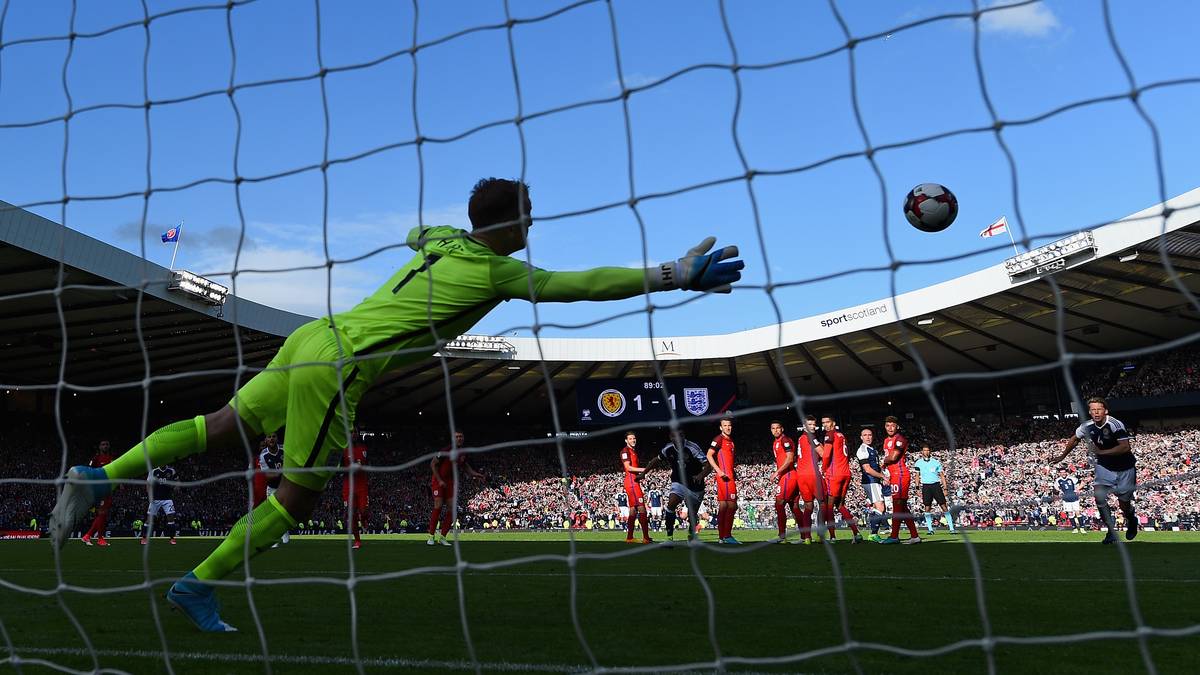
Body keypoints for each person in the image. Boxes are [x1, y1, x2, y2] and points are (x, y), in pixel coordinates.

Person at [49, 177, 746, 632]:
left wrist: (443, 232)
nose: (533, 224)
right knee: (296, 499)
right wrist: (671, 275)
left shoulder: (443, 239)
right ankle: (197, 584)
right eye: (528, 216)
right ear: (512, 224)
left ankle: (101, 476)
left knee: (222, 423)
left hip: (311, 334)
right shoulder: (501, 268)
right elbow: (579, 284)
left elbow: (421, 234)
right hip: (341, 362)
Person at [1050, 397, 1137, 544]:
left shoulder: (1115, 424)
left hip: (1124, 468)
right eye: (1093, 410)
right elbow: (1074, 439)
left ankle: (1131, 519)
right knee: (1099, 497)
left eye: (1099, 409)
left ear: (1105, 411)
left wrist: (1101, 452)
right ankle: (1111, 531)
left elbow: (1125, 447)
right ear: (1089, 412)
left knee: (1124, 504)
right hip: (1104, 467)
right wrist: (1062, 456)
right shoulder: (1086, 426)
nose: (1096, 412)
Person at [643, 429, 711, 546]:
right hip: (678, 481)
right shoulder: (668, 448)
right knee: (671, 504)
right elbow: (656, 460)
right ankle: (669, 538)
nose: (679, 438)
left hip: (695, 484)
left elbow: (708, 465)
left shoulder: (692, 448)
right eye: (676, 435)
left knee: (692, 513)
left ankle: (691, 535)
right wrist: (644, 472)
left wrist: (700, 475)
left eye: (681, 435)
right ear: (671, 437)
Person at [429, 430, 485, 546]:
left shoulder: (463, 453)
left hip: (450, 482)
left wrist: (475, 474)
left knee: (452, 509)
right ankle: (431, 536)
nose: (459, 438)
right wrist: (439, 480)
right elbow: (433, 464)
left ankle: (443, 537)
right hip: (438, 480)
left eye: (461, 436)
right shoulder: (446, 450)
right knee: (438, 505)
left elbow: (465, 465)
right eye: (457, 437)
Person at [818, 416, 861, 543]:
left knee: (829, 506)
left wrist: (824, 469)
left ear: (833, 423)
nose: (825, 425)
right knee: (841, 505)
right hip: (846, 473)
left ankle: (832, 537)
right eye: (823, 423)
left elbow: (826, 455)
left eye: (827, 422)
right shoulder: (841, 435)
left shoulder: (829, 435)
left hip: (835, 474)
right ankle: (856, 533)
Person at [880, 416, 920, 545]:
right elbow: (889, 458)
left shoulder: (900, 439)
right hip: (894, 475)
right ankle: (914, 536)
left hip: (901, 474)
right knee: (902, 507)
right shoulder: (886, 440)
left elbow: (893, 457)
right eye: (887, 425)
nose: (890, 428)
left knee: (897, 504)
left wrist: (884, 461)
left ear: (897, 426)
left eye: (893, 425)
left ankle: (894, 536)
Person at [706, 417, 740, 545]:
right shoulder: (719, 439)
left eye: (729, 425)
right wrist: (719, 471)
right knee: (731, 505)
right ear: (721, 427)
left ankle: (722, 537)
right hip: (725, 478)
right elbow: (709, 454)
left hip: (729, 476)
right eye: (725, 425)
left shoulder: (730, 441)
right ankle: (727, 535)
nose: (727, 427)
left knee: (724, 506)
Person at [769, 421, 803, 543]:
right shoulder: (776, 442)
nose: (776, 430)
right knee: (794, 507)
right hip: (788, 476)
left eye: (778, 428)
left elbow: (789, 459)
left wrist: (777, 472)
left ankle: (781, 536)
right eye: (773, 428)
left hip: (788, 476)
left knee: (779, 504)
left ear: (782, 429)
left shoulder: (785, 440)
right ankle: (805, 537)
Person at [253, 434, 289, 545]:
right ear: (266, 440)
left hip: (285, 486)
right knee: (272, 514)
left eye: (274, 436)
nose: (272, 439)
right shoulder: (263, 455)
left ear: (277, 438)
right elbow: (267, 475)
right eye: (269, 437)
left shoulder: (285, 449)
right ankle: (274, 539)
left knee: (285, 512)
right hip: (272, 487)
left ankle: (285, 532)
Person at [855, 428, 889, 542]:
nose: (868, 437)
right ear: (861, 437)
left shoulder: (872, 449)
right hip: (870, 481)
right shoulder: (862, 450)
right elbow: (867, 469)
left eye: (870, 435)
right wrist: (882, 476)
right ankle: (873, 534)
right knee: (880, 507)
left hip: (875, 481)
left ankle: (874, 532)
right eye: (865, 435)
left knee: (877, 508)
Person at [913, 444, 956, 535]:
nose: (926, 452)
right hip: (926, 486)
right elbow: (917, 476)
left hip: (936, 485)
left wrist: (945, 488)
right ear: (922, 452)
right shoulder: (918, 463)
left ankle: (952, 528)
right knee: (927, 507)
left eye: (928, 450)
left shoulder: (936, 462)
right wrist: (917, 488)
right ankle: (930, 529)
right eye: (925, 450)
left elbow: (942, 476)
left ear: (930, 451)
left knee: (944, 506)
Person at [793, 417, 823, 543]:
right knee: (823, 504)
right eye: (809, 424)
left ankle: (807, 537)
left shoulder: (800, 438)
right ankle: (820, 535)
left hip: (801, 475)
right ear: (805, 426)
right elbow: (822, 453)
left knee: (808, 506)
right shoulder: (811, 437)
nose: (812, 427)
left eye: (813, 424)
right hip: (812, 475)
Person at [619, 431, 652, 544]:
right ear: (626, 440)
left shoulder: (633, 451)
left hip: (634, 482)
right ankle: (646, 538)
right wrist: (644, 469)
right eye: (630, 438)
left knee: (633, 510)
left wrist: (641, 474)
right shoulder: (625, 451)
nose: (633, 440)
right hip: (631, 483)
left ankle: (629, 537)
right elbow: (628, 467)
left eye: (634, 438)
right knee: (642, 508)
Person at [81, 441, 114, 547]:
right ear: (99, 447)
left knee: (102, 515)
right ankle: (99, 538)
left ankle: (88, 536)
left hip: (108, 488)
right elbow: (88, 472)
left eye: (107, 444)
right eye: (103, 444)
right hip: (99, 489)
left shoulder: (111, 458)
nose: (105, 446)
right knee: (102, 513)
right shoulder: (95, 459)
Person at [141, 464, 179, 546]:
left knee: (171, 518)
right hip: (155, 499)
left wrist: (176, 486)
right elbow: (148, 484)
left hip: (167, 498)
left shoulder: (171, 471)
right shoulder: (153, 471)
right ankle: (144, 537)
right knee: (149, 519)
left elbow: (176, 481)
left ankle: (172, 538)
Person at [343, 430, 369, 549]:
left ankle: (364, 520)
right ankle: (357, 541)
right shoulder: (343, 450)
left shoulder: (363, 449)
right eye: (351, 432)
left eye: (355, 432)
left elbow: (366, 465)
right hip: (349, 485)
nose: (354, 434)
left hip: (361, 485)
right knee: (351, 514)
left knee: (363, 511)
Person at [1055, 466, 1086, 533]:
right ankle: (1074, 528)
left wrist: (1077, 489)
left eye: (1064, 472)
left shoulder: (1072, 479)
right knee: (1070, 513)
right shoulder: (1058, 480)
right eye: (1061, 472)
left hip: (1074, 498)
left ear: (1066, 472)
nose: (1063, 473)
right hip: (1066, 499)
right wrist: (1060, 491)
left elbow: (1083, 483)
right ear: (1059, 473)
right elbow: (1056, 487)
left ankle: (1082, 528)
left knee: (1077, 512)